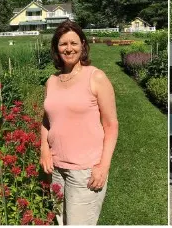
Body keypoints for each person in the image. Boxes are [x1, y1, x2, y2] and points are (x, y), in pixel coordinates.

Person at [40, 19, 119, 225]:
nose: (68, 49)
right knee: (61, 221)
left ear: (83, 45)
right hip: (56, 169)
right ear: (56, 48)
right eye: (63, 44)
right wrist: (44, 150)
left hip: (85, 170)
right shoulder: (52, 81)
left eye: (73, 43)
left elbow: (111, 125)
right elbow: (46, 120)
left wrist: (103, 166)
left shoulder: (96, 77)